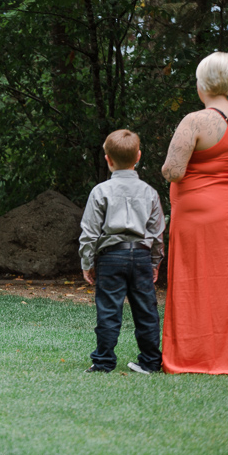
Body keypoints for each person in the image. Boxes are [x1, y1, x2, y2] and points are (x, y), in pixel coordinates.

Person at [161, 51, 228, 375]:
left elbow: (173, 170)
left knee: (196, 283)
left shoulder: (195, 121)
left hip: (199, 216)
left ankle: (197, 354)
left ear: (202, 85)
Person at [79, 130, 165, 374]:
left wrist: (87, 262)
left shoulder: (100, 191)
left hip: (110, 257)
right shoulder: (149, 192)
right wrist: (155, 261)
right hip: (140, 256)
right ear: (138, 156)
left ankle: (104, 362)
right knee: (147, 311)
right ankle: (150, 362)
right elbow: (156, 233)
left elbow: (90, 231)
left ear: (108, 159)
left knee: (109, 310)